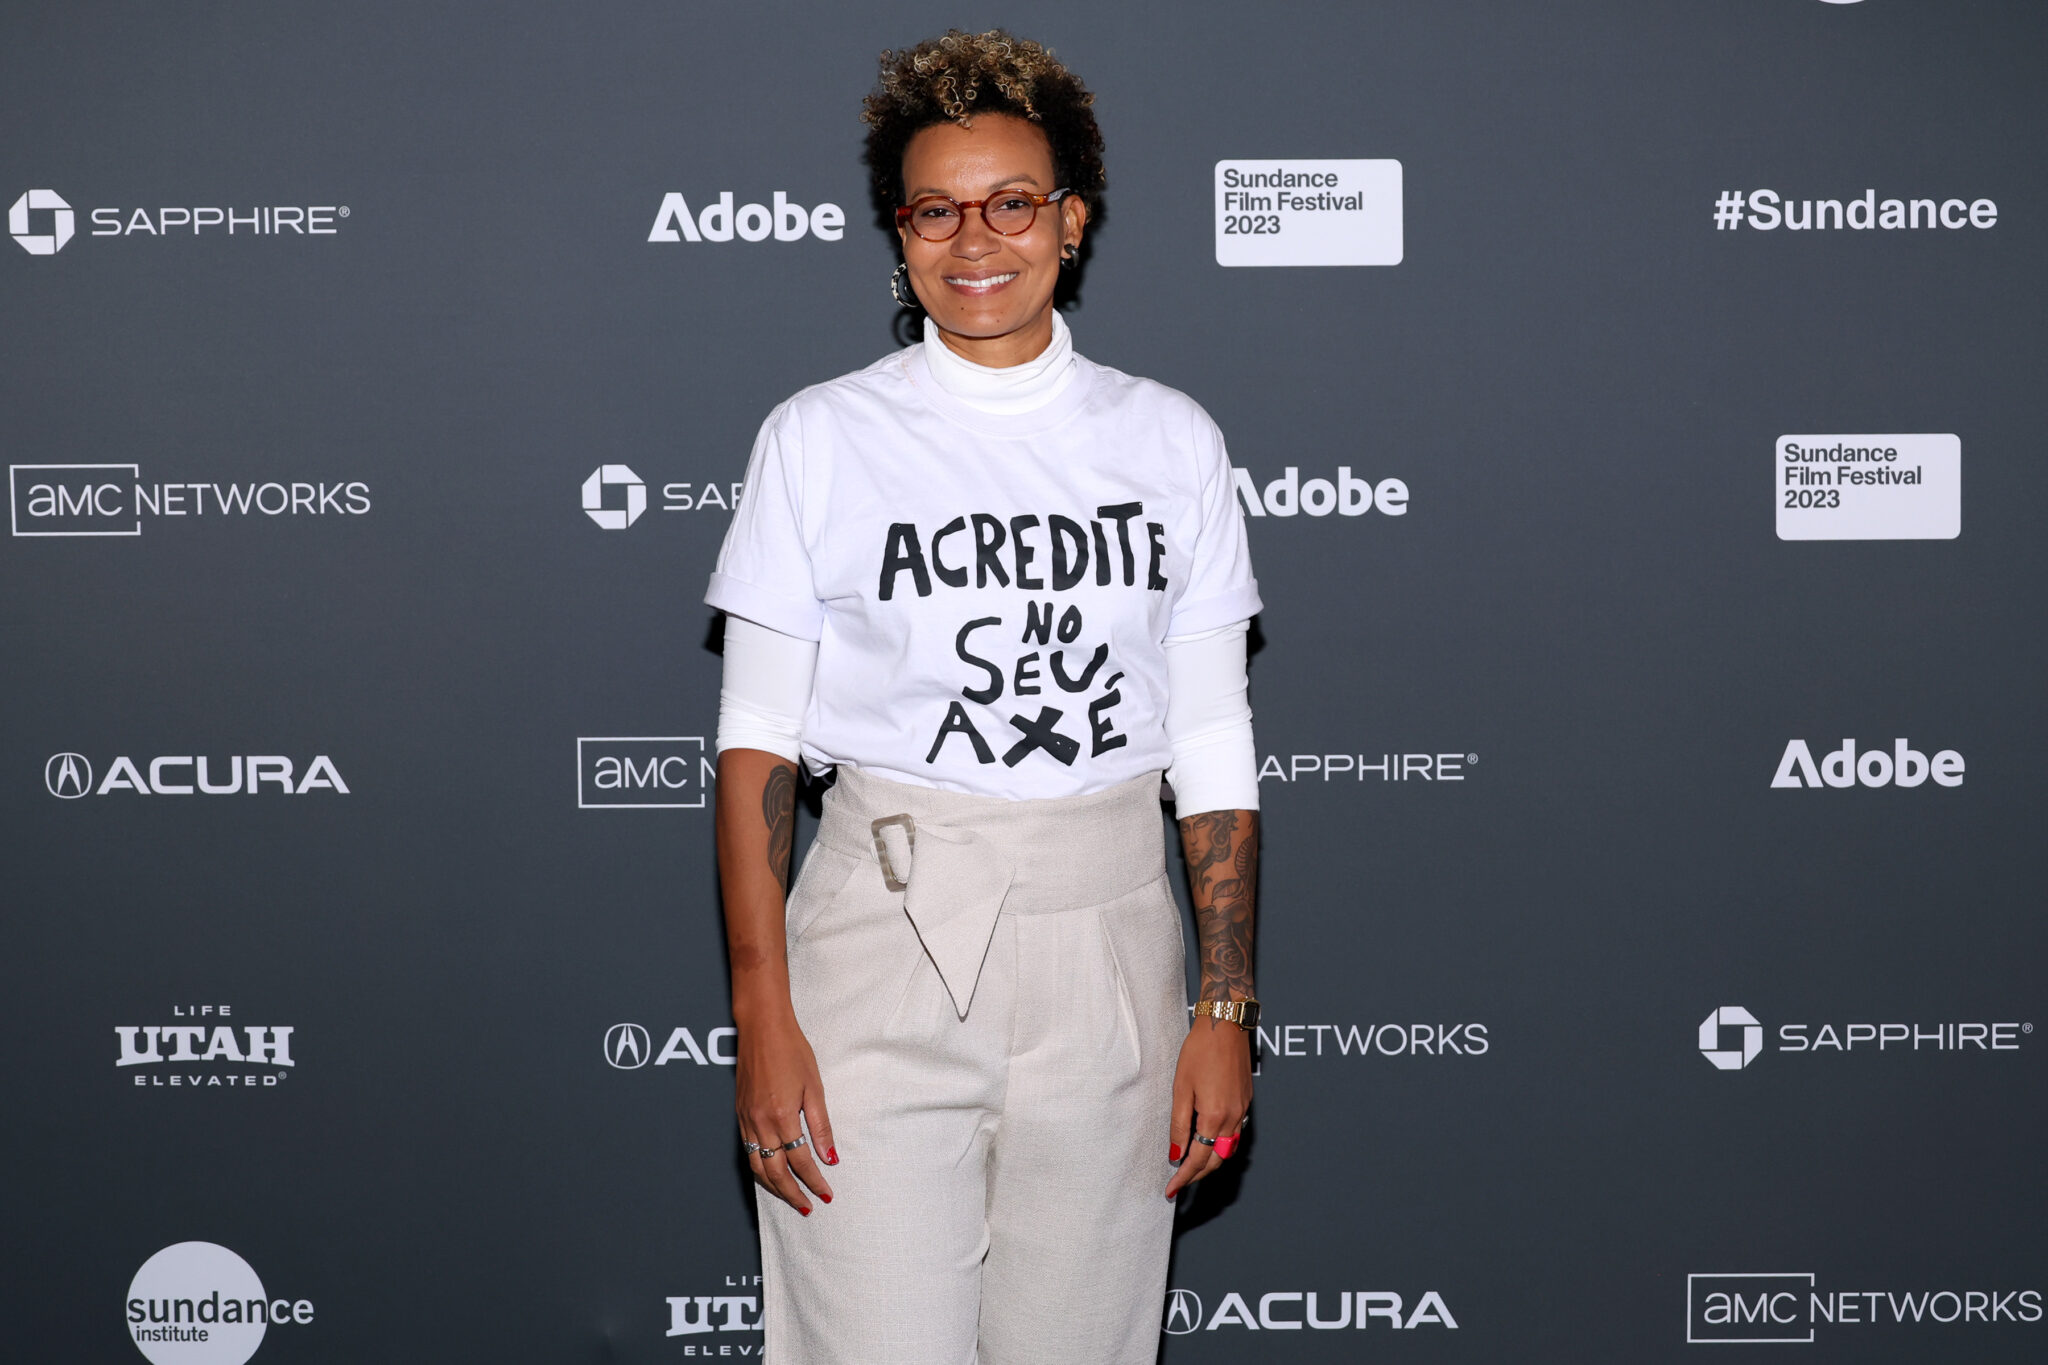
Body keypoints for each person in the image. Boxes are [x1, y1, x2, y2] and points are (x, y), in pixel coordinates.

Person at [706, 29, 1262, 1364]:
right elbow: (755, 750)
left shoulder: (1169, 438)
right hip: (878, 947)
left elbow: (1211, 739)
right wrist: (763, 1017)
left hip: (1113, 947)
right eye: (936, 209)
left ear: (1072, 220)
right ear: (898, 233)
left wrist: (1224, 1006)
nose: (976, 240)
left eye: (1012, 201)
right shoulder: (821, 436)